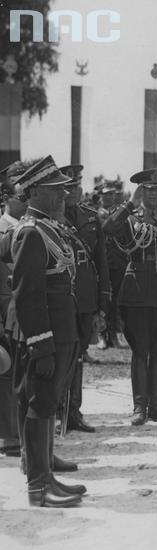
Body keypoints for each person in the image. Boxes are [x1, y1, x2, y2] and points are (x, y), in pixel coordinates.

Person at [8, 156, 86, 507]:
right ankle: (38, 488)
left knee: (49, 403)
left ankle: (48, 477)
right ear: (35, 191)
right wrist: (41, 345)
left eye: (62, 191)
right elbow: (28, 295)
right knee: (39, 405)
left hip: (62, 330)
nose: (62, 197)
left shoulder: (50, 229)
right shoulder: (30, 232)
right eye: (55, 191)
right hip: (47, 336)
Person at [103, 169, 157, 425]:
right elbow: (108, 229)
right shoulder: (129, 218)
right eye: (148, 190)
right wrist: (130, 204)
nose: (153, 194)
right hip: (136, 291)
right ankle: (140, 406)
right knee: (140, 351)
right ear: (141, 191)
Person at [60, 164, 111, 433]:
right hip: (61, 297)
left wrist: (103, 301)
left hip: (86, 296)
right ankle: (58, 409)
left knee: (78, 355)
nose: (71, 191)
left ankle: (73, 411)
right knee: (61, 356)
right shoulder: (51, 219)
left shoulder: (91, 218)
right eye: (66, 187)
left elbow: (101, 261)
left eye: (75, 186)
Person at [0, 161, 26, 458]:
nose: (26, 201)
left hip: (24, 312)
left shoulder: (28, 227)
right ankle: (10, 436)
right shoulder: (3, 229)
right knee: (8, 376)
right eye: (21, 197)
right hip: (6, 314)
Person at [97, 180, 127, 349]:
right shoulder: (97, 213)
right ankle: (102, 335)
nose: (109, 197)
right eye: (105, 194)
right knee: (103, 300)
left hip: (118, 261)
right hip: (104, 262)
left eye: (111, 194)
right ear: (100, 196)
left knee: (116, 300)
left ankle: (115, 334)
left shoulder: (119, 213)